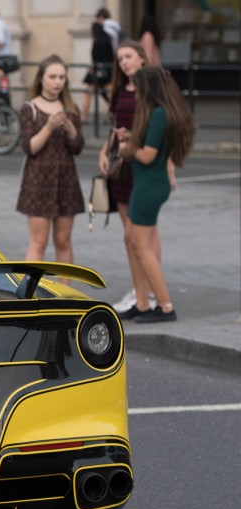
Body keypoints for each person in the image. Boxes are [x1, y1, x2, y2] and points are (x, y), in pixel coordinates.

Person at [115, 66, 194, 322]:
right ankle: (142, 303)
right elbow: (151, 146)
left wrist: (128, 149)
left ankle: (165, 306)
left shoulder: (159, 113)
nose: (135, 92)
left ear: (147, 88)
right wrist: (132, 139)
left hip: (149, 185)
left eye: (138, 88)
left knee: (141, 245)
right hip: (148, 184)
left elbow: (148, 156)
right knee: (132, 239)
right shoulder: (160, 113)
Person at [99, 40, 162, 315]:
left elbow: (162, 130)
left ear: (142, 58)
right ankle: (140, 292)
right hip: (121, 166)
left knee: (143, 235)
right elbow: (116, 128)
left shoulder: (151, 90)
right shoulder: (120, 91)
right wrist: (104, 151)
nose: (124, 62)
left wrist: (168, 168)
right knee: (129, 237)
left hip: (142, 167)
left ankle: (150, 291)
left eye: (128, 56)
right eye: (120, 58)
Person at [16, 55, 85, 273]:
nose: (57, 82)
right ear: (41, 78)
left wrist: (71, 129)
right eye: (52, 76)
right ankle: (30, 294)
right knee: (39, 241)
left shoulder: (71, 108)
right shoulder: (30, 108)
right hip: (38, 180)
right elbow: (29, 147)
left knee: (63, 241)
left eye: (62, 77)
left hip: (65, 178)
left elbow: (78, 147)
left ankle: (66, 294)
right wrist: (49, 126)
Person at [80, 22, 115, 119]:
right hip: (108, 70)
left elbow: (95, 58)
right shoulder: (108, 40)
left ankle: (83, 116)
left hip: (97, 71)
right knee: (110, 94)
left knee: (88, 93)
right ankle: (114, 114)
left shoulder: (97, 42)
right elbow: (111, 56)